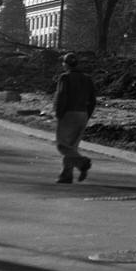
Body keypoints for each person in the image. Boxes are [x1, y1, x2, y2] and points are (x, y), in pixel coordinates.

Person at [53, 52, 96, 184]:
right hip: (83, 114)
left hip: (68, 113)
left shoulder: (65, 78)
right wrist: (87, 115)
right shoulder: (87, 78)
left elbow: (61, 96)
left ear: (66, 64)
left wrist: (58, 113)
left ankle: (82, 162)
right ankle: (66, 175)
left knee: (62, 145)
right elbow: (93, 100)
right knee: (72, 147)